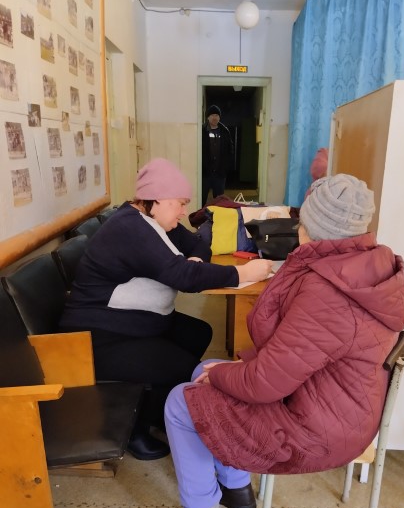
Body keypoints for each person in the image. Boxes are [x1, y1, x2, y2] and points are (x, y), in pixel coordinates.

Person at [152, 173, 404, 508]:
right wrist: (219, 372)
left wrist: (221, 376)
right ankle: (236, 488)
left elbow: (264, 384)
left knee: (179, 402)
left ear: (311, 226)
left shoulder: (327, 292)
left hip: (319, 428)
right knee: (205, 367)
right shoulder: (366, 266)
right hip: (340, 405)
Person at [59, 158, 272, 461]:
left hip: (134, 323)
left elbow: (197, 244)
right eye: (180, 203)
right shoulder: (130, 228)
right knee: (183, 367)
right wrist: (242, 274)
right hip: (101, 335)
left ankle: (158, 408)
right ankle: (135, 430)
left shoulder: (157, 222)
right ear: (156, 199)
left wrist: (195, 263)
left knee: (198, 332)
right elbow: (182, 277)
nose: (184, 211)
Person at [202, 105, 234, 207]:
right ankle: (201, 215)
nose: (214, 117)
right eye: (212, 115)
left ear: (219, 117)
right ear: (208, 117)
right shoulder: (202, 130)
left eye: (216, 115)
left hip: (220, 173)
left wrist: (225, 167)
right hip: (205, 173)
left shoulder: (225, 131)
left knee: (219, 201)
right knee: (202, 198)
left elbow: (230, 150)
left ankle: (217, 216)